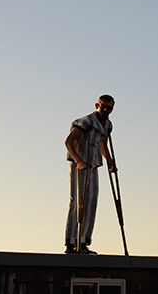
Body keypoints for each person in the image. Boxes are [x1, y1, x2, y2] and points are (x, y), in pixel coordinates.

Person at [64, 95, 117, 254]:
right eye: (104, 107)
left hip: (94, 165)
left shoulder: (108, 125)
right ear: (97, 105)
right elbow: (68, 141)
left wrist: (110, 162)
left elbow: (103, 145)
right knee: (77, 201)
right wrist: (78, 160)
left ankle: (84, 242)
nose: (106, 110)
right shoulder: (85, 122)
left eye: (110, 108)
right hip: (80, 165)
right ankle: (70, 243)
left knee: (91, 201)